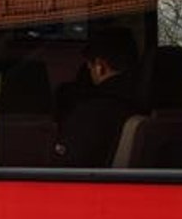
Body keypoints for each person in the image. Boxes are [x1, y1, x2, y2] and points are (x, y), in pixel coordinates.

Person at [53, 28, 139, 167]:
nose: (89, 71)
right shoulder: (144, 106)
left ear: (100, 66)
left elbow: (62, 166)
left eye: (89, 66)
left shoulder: (90, 113)